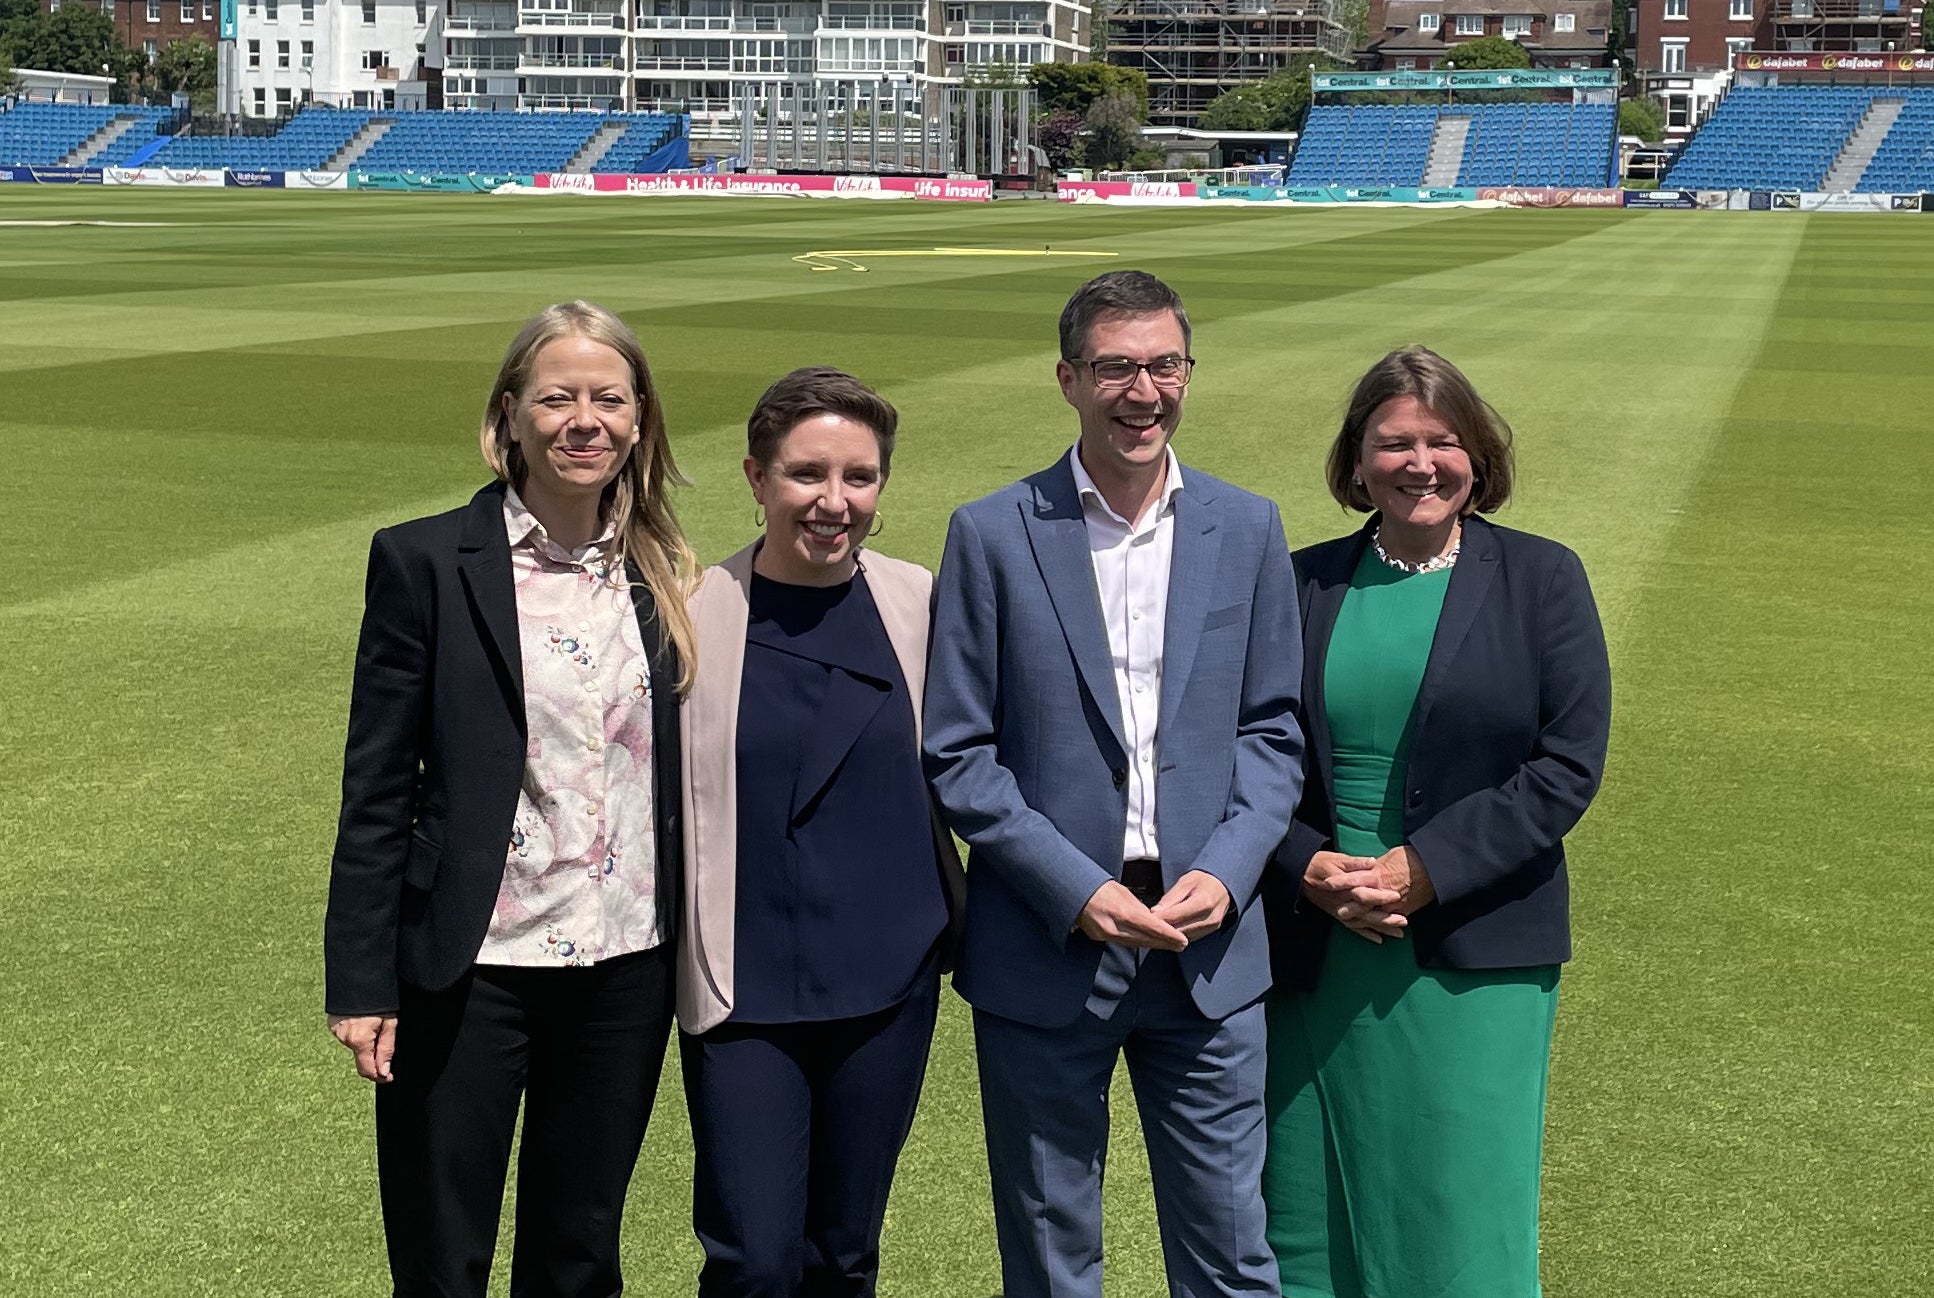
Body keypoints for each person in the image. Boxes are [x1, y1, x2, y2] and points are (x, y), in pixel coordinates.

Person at [924, 270, 1305, 1298]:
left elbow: (1271, 729)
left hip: (1206, 953)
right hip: (1048, 952)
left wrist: (1226, 873)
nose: (1143, 391)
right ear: (1067, 379)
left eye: (1163, 364)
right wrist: (1074, 887)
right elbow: (958, 750)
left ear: (1188, 371)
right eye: (1115, 367)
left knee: (1230, 1258)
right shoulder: (992, 532)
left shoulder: (1247, 525)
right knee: (1051, 1265)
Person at [322, 301, 695, 1298]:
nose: (585, 419)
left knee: (578, 1250)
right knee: (444, 1253)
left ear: (639, 416)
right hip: (470, 963)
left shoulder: (668, 571)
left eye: (608, 398)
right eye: (557, 396)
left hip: (624, 961)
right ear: (511, 414)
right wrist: (363, 977)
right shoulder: (425, 560)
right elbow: (376, 787)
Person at [1260, 346, 1612, 1298]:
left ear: (1477, 454)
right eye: (1394, 443)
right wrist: (1304, 866)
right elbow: (1245, 758)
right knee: (1302, 1215)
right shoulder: (1299, 581)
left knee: (1460, 1208)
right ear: (1358, 460)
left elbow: (1568, 763)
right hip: (1315, 943)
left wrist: (1425, 868)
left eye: (1442, 441)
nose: (1420, 464)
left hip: (1474, 944)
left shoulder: (1544, 578)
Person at [677, 366, 965, 1298]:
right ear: (757, 479)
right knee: (752, 1260)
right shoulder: (688, 612)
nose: (833, 502)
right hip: (741, 984)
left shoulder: (919, 601)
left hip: (888, 978)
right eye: (806, 475)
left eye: (859, 477)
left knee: (845, 1252)